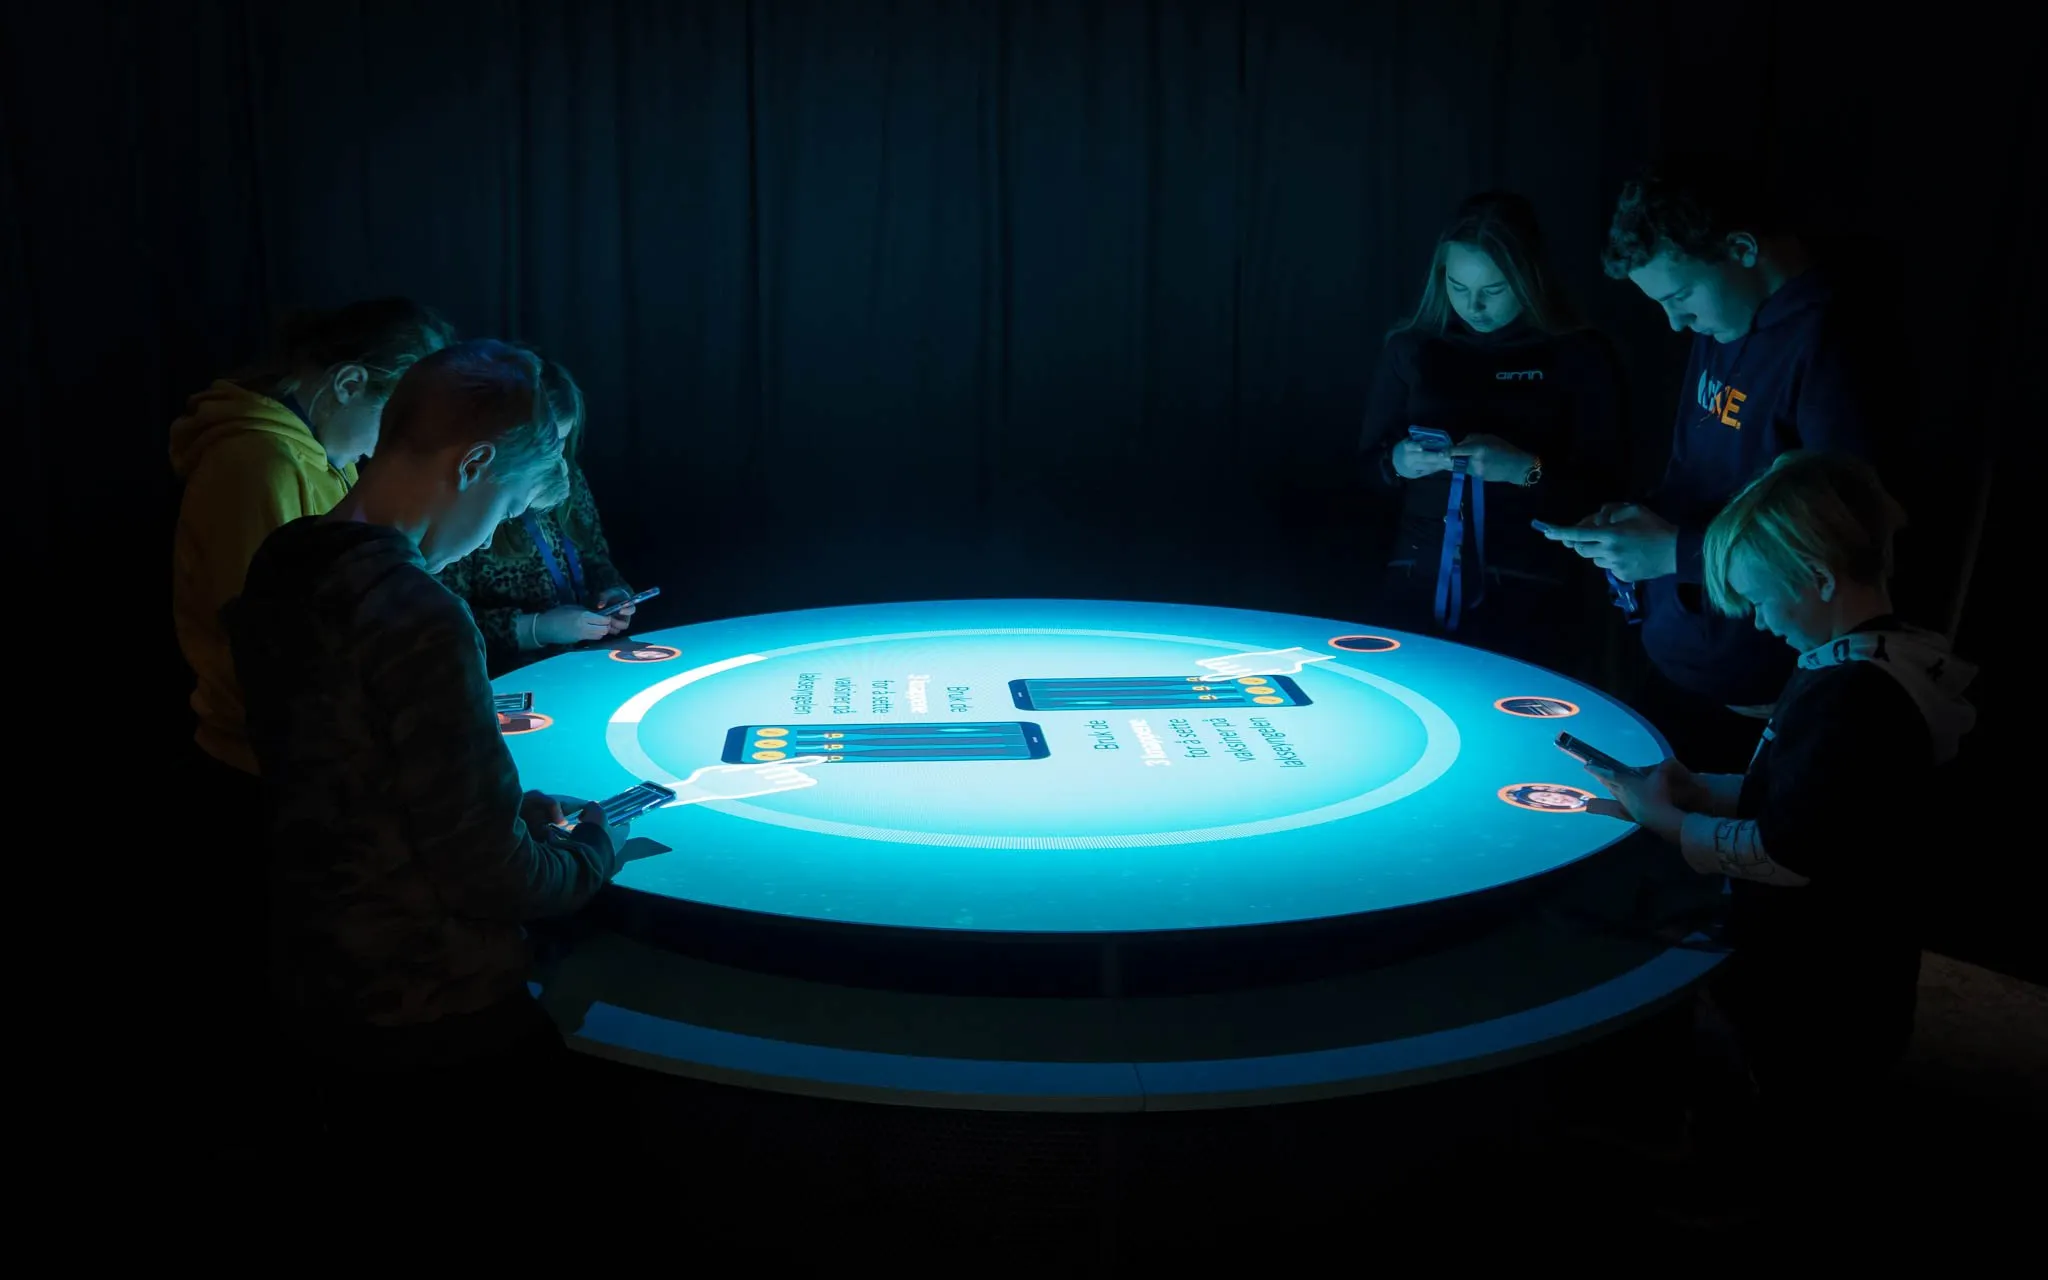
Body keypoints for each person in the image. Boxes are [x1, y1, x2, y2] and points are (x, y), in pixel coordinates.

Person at [224, 338, 638, 1162]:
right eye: (511, 498)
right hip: (434, 1010)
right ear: (475, 460)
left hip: (313, 983)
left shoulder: (284, 564)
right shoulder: (416, 612)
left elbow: (362, 785)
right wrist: (595, 845)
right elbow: (492, 875)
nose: (493, 537)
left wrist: (504, 811)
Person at [1585, 451, 1974, 1179]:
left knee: (1784, 1110)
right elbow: (1823, 797)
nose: (1760, 622)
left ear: (1818, 578)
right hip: (1849, 966)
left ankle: (1738, 1181)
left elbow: (1790, 851)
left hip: (1819, 983)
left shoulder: (1855, 697)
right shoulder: (1879, 659)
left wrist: (1667, 821)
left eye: (1761, 601)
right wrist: (1707, 789)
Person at [1545, 155, 1892, 769]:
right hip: (1684, 670)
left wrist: (1671, 552)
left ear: (1741, 248)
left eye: (1679, 295)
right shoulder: (1726, 322)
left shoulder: (1835, 345)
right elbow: (1697, 473)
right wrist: (1638, 520)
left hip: (1760, 705)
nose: (1676, 323)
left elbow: (1840, 538)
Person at [171, 299, 456, 793]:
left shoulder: (326, 455)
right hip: (261, 763)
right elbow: (268, 646)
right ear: (348, 385)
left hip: (300, 751)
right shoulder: (260, 464)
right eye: (396, 423)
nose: (393, 447)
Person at [1359, 192, 1625, 676]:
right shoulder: (1412, 348)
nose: (1473, 306)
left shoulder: (1579, 354)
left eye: (1494, 290)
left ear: (1528, 279)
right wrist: (1396, 461)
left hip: (1536, 592)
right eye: (1457, 287)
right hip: (1417, 584)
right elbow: (1362, 474)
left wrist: (1526, 471)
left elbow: (1610, 491)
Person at [437, 357, 640, 673]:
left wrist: (612, 595)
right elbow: (445, 622)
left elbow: (595, 558)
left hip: (582, 663)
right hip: (507, 675)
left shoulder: (568, 479)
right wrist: (537, 628)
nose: (553, 459)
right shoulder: (470, 499)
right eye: (545, 444)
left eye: (560, 442)